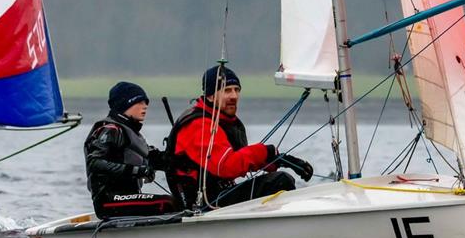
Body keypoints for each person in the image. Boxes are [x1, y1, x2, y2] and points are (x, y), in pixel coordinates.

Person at [166, 65, 314, 209]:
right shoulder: (200, 125)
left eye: (237, 90)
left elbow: (241, 159)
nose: (234, 96)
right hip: (202, 204)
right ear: (210, 96)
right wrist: (265, 151)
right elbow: (225, 166)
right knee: (279, 181)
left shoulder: (223, 121)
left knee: (279, 178)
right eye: (227, 90)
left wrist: (280, 160)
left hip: (219, 196)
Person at [84, 81, 178, 219]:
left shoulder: (132, 134)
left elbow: (159, 160)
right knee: (169, 203)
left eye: (146, 102)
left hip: (127, 198)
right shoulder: (109, 130)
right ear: (124, 105)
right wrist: (138, 171)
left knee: (181, 201)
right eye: (139, 102)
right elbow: (94, 163)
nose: (145, 106)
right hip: (109, 201)